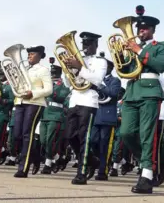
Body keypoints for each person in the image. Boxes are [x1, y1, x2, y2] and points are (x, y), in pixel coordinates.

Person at [120, 5, 164, 194]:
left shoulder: (161, 46)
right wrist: (123, 55)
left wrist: (138, 50)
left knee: (147, 135)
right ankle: (149, 163)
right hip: (131, 92)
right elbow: (124, 71)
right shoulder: (133, 48)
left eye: (145, 29)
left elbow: (159, 65)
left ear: (152, 30)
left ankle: (147, 176)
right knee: (126, 133)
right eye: (139, 29)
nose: (141, 31)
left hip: (149, 92)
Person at [63, 32, 108, 185]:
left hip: (89, 100)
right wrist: (66, 70)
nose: (85, 47)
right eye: (83, 44)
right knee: (70, 136)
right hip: (74, 99)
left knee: (84, 137)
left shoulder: (100, 62)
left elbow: (97, 79)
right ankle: (92, 160)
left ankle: (81, 173)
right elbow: (68, 84)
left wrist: (79, 67)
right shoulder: (77, 60)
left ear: (96, 45)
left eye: (89, 44)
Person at [11, 45, 52, 178]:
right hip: (20, 102)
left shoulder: (43, 70)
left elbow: (49, 90)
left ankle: (23, 168)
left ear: (40, 56)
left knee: (27, 135)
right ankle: (35, 157)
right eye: (28, 54)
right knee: (17, 135)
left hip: (34, 103)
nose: (29, 56)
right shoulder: (23, 69)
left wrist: (33, 93)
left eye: (32, 54)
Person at [90, 58, 121, 180]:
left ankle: (103, 170)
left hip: (107, 115)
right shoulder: (96, 79)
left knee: (105, 144)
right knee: (92, 141)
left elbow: (113, 93)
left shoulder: (115, 80)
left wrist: (100, 85)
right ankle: (97, 161)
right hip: (96, 113)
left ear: (109, 68)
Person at [40, 64, 70, 174]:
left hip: (56, 115)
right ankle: (58, 158)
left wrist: (49, 88)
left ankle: (48, 165)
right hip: (45, 114)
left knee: (50, 141)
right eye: (51, 72)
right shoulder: (46, 84)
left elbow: (61, 98)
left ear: (59, 73)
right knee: (43, 141)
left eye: (54, 72)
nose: (52, 74)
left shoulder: (63, 85)